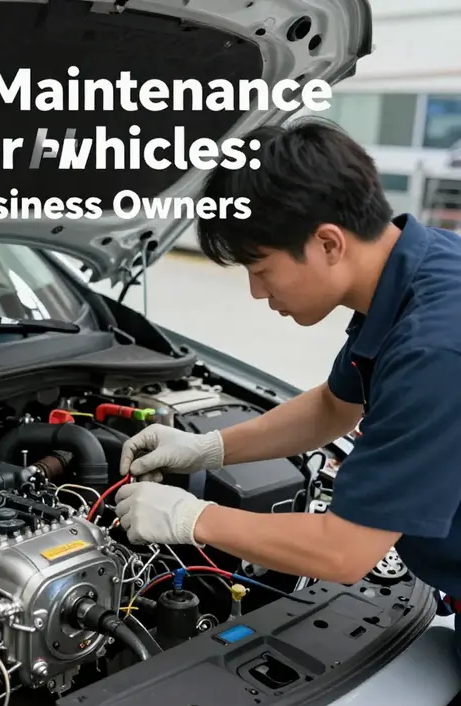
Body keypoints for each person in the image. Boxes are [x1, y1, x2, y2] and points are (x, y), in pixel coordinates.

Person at [114, 118, 461, 651]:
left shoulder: (433, 346)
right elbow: (333, 407)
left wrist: (191, 517)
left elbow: (345, 552)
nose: (256, 292)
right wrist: (208, 448)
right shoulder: (418, 268)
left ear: (328, 243)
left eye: (261, 268)